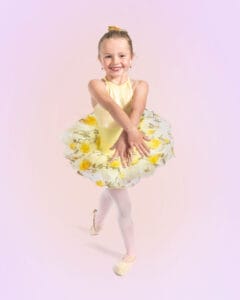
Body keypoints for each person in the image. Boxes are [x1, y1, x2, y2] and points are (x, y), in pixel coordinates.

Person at [61, 25, 175, 276]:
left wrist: (128, 136)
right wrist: (129, 133)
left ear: (132, 59)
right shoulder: (95, 85)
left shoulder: (141, 85)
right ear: (100, 60)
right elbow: (112, 107)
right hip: (106, 150)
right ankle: (131, 254)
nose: (115, 61)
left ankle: (96, 221)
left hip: (129, 147)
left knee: (112, 189)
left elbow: (136, 110)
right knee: (124, 205)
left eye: (122, 55)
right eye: (108, 56)